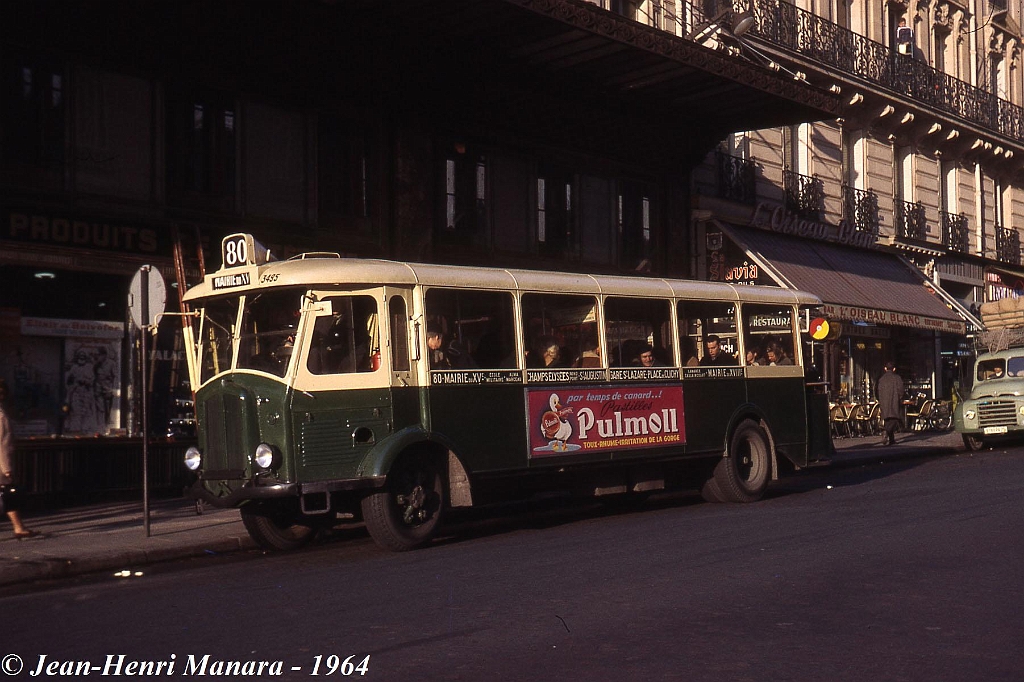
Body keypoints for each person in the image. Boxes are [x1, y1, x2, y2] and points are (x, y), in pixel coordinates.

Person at [0, 379, 36, 539]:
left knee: (9, 496)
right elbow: (2, 444)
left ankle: (19, 527)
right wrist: (7, 468)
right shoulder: (0, 416)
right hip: (0, 464)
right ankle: (18, 527)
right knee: (9, 495)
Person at [877, 361, 905, 446]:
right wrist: (899, 398)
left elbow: (878, 391)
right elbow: (901, 391)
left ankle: (891, 440)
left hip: (884, 404)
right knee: (895, 419)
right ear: (894, 369)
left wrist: (881, 400)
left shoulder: (881, 379)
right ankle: (886, 431)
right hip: (894, 403)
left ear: (885, 369)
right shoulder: (897, 378)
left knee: (887, 420)